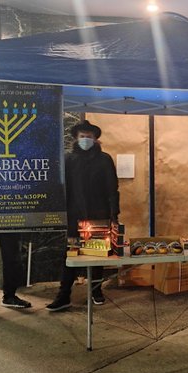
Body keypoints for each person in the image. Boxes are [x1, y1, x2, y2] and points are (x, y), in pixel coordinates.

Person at [47, 120, 120, 312]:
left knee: (98, 255)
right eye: (82, 136)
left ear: (95, 139)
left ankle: (96, 291)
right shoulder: (68, 160)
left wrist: (114, 214)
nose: (85, 139)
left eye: (89, 136)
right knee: (71, 255)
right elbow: (62, 190)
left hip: (99, 216)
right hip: (74, 217)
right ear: (76, 138)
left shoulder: (104, 160)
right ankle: (63, 296)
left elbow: (112, 188)